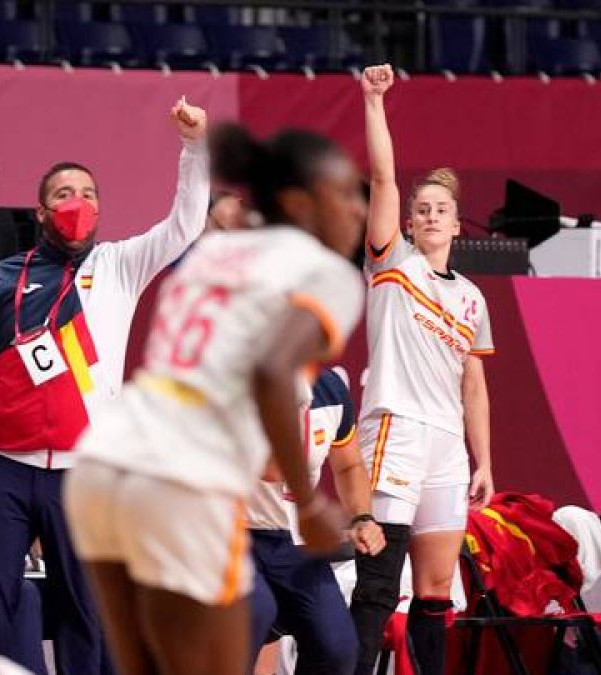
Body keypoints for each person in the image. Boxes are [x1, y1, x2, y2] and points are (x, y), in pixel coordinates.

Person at [62, 122, 367, 675]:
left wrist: (355, 512)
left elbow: (337, 461)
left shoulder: (320, 373)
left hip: (288, 540)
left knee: (338, 648)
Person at [0, 98, 209, 674]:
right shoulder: (5, 276)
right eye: (63, 196)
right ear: (42, 212)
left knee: (87, 611)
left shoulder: (121, 265)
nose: (78, 205)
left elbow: (184, 223)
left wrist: (194, 148)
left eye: (89, 194)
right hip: (3, 467)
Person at [352, 64, 496, 675]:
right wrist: (375, 101)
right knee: (381, 583)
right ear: (409, 224)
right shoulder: (393, 266)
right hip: (395, 429)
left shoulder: (471, 297)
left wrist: (483, 458)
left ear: (459, 224)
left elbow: (475, 385)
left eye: (442, 209)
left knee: (437, 593)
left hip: (446, 446)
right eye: (422, 210)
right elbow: (383, 175)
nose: (432, 216)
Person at [248, 368, 386, 675]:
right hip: (233, 533)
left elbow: (349, 466)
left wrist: (362, 517)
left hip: (294, 544)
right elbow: (273, 471)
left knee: (336, 649)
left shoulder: (330, 388)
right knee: (254, 615)